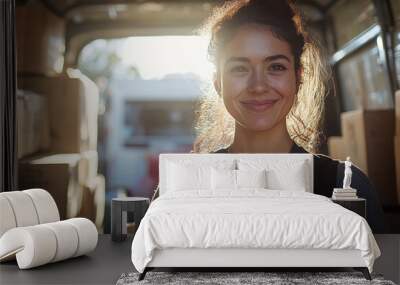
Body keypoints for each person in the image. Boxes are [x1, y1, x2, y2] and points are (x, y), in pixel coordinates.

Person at [153, 0, 385, 233]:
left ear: (298, 77)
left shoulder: (347, 186)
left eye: (275, 67)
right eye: (240, 68)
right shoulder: (180, 187)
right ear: (218, 84)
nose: (258, 86)